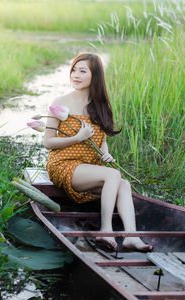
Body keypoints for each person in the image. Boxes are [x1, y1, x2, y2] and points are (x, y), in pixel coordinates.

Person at [44, 52, 153, 252]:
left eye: (82, 71)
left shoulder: (101, 105)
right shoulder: (60, 101)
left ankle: (131, 236)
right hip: (63, 165)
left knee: (124, 184)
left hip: (90, 167)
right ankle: (106, 230)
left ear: (95, 76)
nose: (75, 75)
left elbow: (101, 139)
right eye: (74, 70)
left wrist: (106, 153)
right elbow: (48, 142)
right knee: (113, 174)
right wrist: (77, 138)